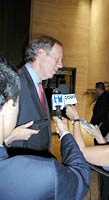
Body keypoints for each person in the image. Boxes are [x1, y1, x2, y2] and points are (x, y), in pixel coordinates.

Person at [0, 57, 90, 200]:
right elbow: (81, 178)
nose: (60, 64)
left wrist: (9, 138)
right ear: (9, 105)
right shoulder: (46, 173)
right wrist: (66, 133)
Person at [8, 36, 63, 157]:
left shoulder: (38, 84)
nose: (61, 65)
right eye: (58, 58)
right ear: (41, 54)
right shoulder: (15, 82)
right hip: (20, 162)